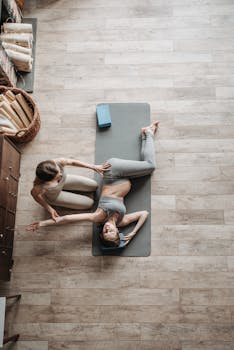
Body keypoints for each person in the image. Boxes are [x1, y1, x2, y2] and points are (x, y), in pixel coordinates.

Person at [28, 121, 159, 246]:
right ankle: (147, 134)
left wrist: (43, 223)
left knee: (149, 167)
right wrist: (133, 233)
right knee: (150, 167)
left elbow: (67, 219)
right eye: (111, 232)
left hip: (113, 172)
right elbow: (144, 214)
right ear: (117, 231)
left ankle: (147, 133)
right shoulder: (122, 221)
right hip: (122, 175)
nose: (107, 229)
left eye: (105, 232)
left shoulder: (98, 217)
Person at [31, 158, 110, 221]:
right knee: (89, 204)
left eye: (59, 172)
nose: (61, 174)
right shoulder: (40, 186)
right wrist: (49, 208)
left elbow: (72, 162)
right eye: (57, 177)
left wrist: (93, 166)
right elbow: (35, 196)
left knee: (94, 185)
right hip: (54, 195)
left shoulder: (56, 163)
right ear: (48, 181)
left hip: (65, 181)